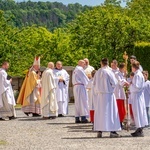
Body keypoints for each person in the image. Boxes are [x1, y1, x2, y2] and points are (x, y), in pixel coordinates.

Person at [93, 58, 121, 138]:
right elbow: (114, 82)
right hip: (108, 95)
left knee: (100, 113)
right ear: (107, 63)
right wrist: (110, 88)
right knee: (111, 113)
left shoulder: (98, 72)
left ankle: (99, 131)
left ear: (101, 63)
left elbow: (94, 83)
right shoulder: (109, 72)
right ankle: (112, 131)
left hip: (100, 95)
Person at [129, 61, 148, 137]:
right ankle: (139, 128)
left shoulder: (137, 75)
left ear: (133, 67)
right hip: (138, 96)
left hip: (137, 96)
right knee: (139, 112)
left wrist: (130, 85)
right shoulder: (138, 74)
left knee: (138, 112)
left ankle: (140, 129)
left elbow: (136, 87)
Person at [114, 63, 129, 128]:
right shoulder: (117, 74)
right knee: (119, 108)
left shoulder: (121, 74)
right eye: (124, 68)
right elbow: (120, 82)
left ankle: (122, 121)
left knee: (122, 108)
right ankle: (119, 122)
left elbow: (124, 80)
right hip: (118, 93)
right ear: (122, 68)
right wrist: (126, 83)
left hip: (121, 93)